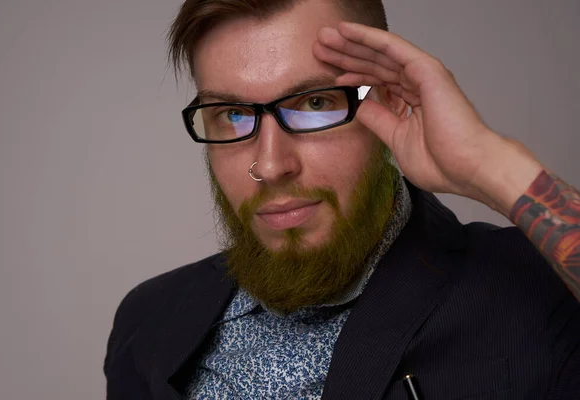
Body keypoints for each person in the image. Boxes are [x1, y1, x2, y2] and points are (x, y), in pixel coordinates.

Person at [104, 0, 580, 398]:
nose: (271, 166)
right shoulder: (148, 318)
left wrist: (488, 165)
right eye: (232, 114)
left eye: (315, 104)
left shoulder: (534, 288)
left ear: (390, 100)